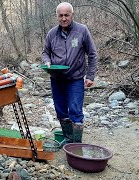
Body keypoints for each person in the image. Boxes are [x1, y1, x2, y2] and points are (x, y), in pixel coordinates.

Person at [41, 2, 98, 143]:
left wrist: (90, 76)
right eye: (61, 15)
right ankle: (68, 139)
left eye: (67, 15)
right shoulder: (51, 34)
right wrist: (47, 62)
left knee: (76, 112)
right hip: (56, 79)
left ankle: (76, 144)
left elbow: (92, 54)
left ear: (72, 15)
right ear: (57, 16)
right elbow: (45, 53)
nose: (64, 18)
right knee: (61, 112)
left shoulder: (82, 31)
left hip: (75, 79)